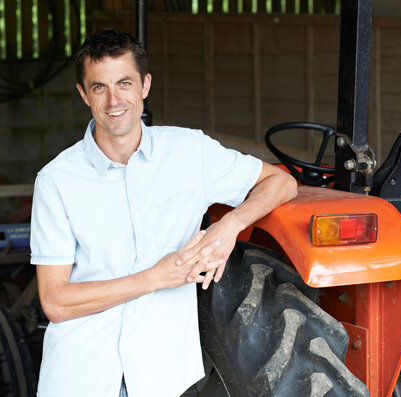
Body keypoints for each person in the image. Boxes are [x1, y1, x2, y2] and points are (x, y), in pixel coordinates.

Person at [30, 29, 297, 396]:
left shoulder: (189, 152)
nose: (113, 100)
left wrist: (229, 225)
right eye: (98, 87)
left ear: (145, 85)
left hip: (163, 378)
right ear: (83, 95)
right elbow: (55, 302)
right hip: (82, 377)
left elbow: (282, 184)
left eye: (124, 83)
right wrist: (154, 277)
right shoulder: (56, 181)